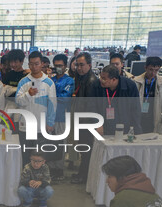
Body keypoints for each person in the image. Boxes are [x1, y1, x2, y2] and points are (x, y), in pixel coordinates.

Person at [71, 52, 100, 184]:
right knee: (83, 149)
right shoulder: (81, 77)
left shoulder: (92, 81)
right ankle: (82, 173)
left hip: (86, 122)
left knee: (86, 150)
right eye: (77, 65)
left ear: (89, 65)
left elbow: (91, 106)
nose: (79, 68)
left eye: (82, 65)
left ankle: (84, 176)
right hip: (80, 119)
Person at [90, 64, 142, 135]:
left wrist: (135, 130)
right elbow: (92, 106)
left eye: (104, 79)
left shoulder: (129, 86)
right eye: (101, 77)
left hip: (125, 129)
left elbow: (135, 110)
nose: (101, 80)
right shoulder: (96, 85)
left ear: (114, 79)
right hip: (103, 129)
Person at [51, 54, 75, 180]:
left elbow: (65, 98)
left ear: (65, 66)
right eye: (56, 66)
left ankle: (59, 170)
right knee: (50, 143)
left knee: (61, 144)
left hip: (62, 117)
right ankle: (51, 167)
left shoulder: (69, 81)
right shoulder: (51, 80)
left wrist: (51, 97)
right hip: (50, 117)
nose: (58, 68)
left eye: (60, 65)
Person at [133, 56, 162, 133]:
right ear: (145, 68)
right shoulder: (136, 82)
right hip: (139, 117)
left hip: (153, 117)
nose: (153, 73)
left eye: (156, 70)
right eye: (151, 70)